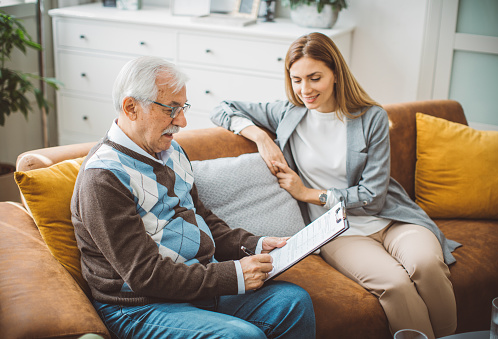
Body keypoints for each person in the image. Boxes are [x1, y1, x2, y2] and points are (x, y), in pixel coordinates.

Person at [210, 32, 461, 339]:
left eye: (315, 78)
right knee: (394, 284)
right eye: (297, 79)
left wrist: (309, 194)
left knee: (427, 265)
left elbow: (374, 196)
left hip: (392, 219)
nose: (305, 90)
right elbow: (221, 107)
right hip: (338, 231)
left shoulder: (371, 118)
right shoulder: (288, 113)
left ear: (336, 74)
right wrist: (262, 137)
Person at [70, 56, 316, 339]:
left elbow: (200, 218)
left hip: (196, 283)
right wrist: (232, 276)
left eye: (182, 107)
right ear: (131, 107)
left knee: (293, 303)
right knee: (240, 337)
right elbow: (144, 275)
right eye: (171, 109)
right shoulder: (103, 178)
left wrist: (254, 245)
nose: (182, 121)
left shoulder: (171, 151)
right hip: (140, 306)